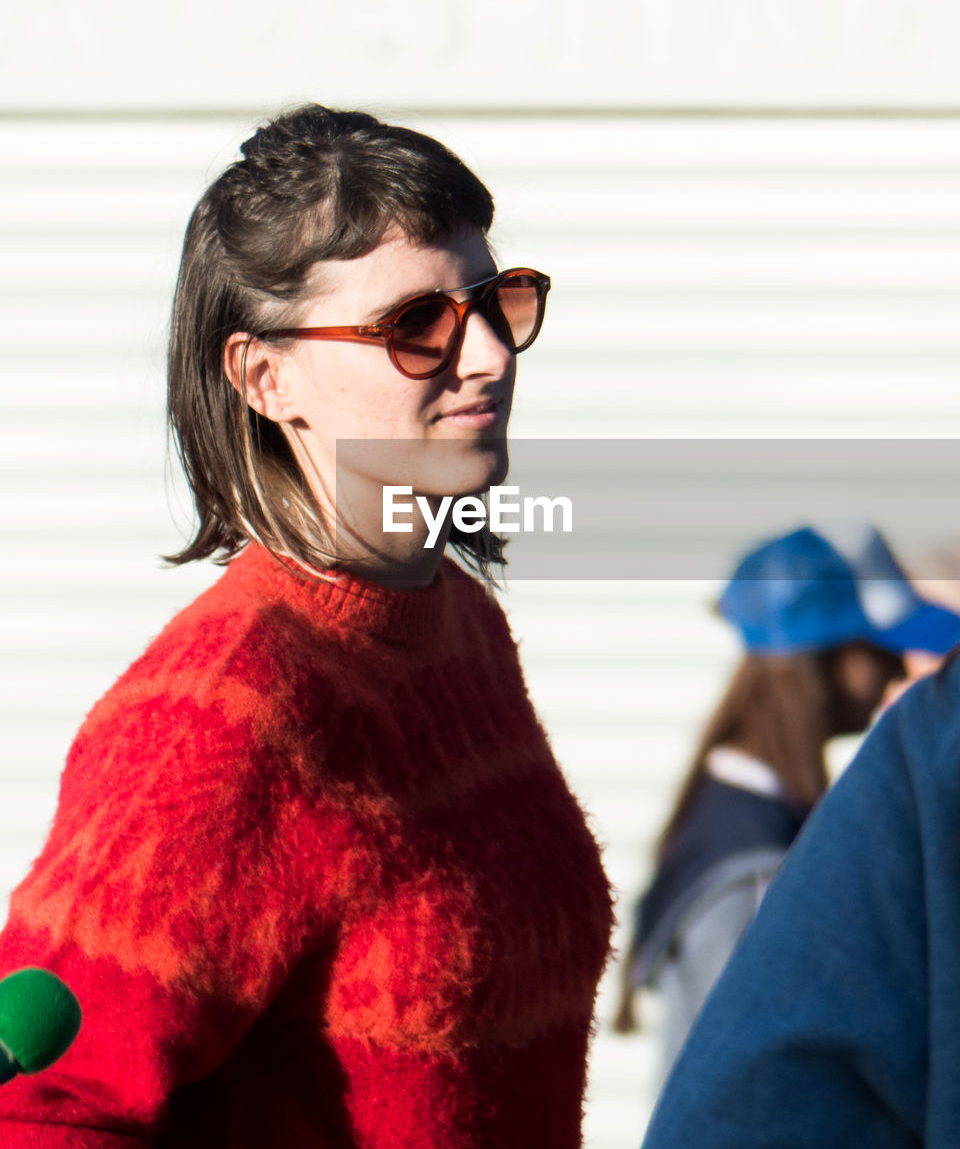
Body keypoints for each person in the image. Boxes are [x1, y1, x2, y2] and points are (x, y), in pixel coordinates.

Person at [0, 104, 613, 1147]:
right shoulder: (222, 713)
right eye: (416, 323)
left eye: (497, 300)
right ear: (264, 376)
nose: (489, 354)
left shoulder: (456, 624)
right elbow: (40, 1106)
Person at [614, 524, 960, 1086]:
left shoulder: (744, 819)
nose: (898, 672)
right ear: (827, 662)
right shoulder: (754, 871)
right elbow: (743, 1092)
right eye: (880, 651)